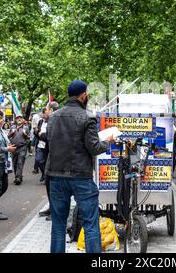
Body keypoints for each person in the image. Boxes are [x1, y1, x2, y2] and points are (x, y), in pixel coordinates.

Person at [46, 81, 115, 253]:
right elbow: (94, 148)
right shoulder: (87, 117)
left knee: (58, 224)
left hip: (56, 175)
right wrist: (107, 141)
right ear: (83, 95)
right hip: (81, 176)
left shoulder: (53, 117)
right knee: (90, 223)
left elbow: (50, 142)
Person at [8, 115, 30, 185]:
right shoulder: (12, 127)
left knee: (20, 162)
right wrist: (12, 132)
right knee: (14, 163)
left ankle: (18, 178)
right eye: (17, 118)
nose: (19, 119)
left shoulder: (26, 127)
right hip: (14, 147)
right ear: (15, 120)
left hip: (22, 147)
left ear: (23, 120)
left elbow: (29, 138)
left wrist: (25, 134)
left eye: (21, 118)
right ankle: (17, 176)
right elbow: (8, 136)